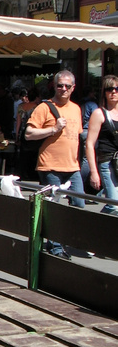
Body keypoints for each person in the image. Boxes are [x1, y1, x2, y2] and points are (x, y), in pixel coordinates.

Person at [25, 69, 85, 259]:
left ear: (73, 88)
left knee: (79, 204)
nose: (63, 89)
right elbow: (29, 134)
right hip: (50, 166)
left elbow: (77, 137)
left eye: (67, 86)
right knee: (54, 208)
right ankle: (57, 248)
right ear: (54, 86)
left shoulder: (76, 108)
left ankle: (58, 240)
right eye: (60, 85)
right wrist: (53, 129)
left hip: (72, 166)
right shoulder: (44, 107)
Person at [85, 75, 118, 214]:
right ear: (104, 92)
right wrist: (93, 172)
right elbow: (90, 144)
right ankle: (97, 228)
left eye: (117, 88)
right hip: (108, 163)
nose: (114, 92)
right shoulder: (99, 113)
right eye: (110, 89)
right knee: (114, 205)